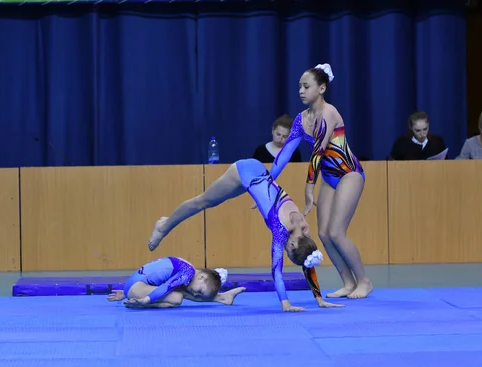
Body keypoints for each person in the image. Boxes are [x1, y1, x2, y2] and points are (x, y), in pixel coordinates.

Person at [147, 158, 344, 312]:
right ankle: (164, 226)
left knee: (210, 201)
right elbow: (276, 270)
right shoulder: (281, 228)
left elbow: (307, 258)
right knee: (203, 201)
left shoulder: (304, 229)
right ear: (291, 245)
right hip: (243, 172)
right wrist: (285, 303)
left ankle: (166, 223)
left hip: (257, 174)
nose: (284, 249)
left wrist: (319, 299)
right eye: (287, 250)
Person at [266, 63, 373, 299]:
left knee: (336, 232)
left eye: (306, 86)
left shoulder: (329, 113)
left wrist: (308, 190)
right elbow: (284, 155)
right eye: (299, 87)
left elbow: (317, 151)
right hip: (329, 177)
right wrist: (266, 182)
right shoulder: (300, 119)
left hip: (349, 173)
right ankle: (347, 282)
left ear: (322, 88)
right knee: (323, 233)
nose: (301, 91)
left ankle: (364, 281)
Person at [107, 256, 245, 308]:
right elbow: (165, 287)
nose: (195, 295)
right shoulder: (187, 273)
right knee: (177, 298)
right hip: (135, 288)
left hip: (134, 287)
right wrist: (146, 300)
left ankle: (221, 298)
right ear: (202, 277)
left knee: (181, 290)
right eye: (199, 292)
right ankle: (220, 298)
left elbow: (151, 275)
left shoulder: (186, 267)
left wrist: (127, 292)